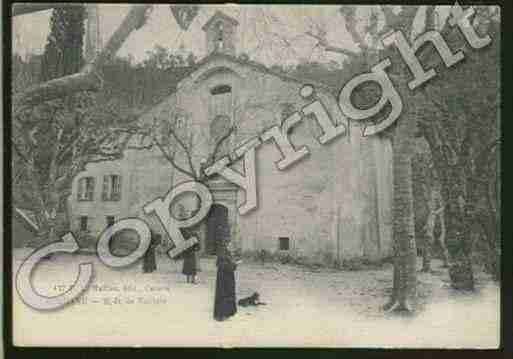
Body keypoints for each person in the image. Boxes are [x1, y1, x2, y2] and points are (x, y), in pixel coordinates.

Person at [213, 239, 240, 321]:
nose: (232, 247)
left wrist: (234, 264)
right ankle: (221, 315)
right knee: (223, 296)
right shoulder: (222, 253)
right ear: (226, 245)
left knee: (228, 295)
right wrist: (233, 264)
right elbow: (220, 264)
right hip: (223, 279)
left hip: (228, 278)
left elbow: (230, 265)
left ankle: (227, 313)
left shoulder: (228, 253)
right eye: (230, 245)